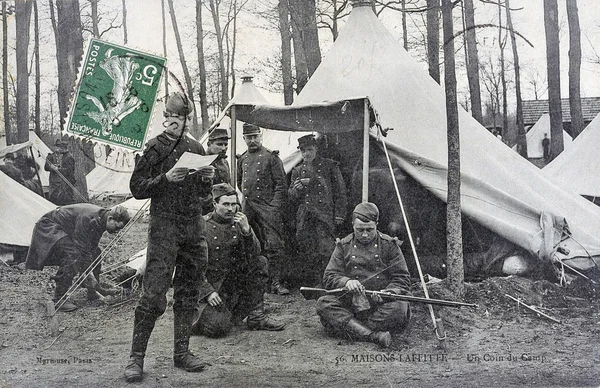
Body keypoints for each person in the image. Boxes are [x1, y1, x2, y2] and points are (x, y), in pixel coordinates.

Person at [125, 92, 215, 382]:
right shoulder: (154, 147)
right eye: (173, 117)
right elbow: (137, 187)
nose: (177, 122)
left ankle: (182, 353)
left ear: (188, 118)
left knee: (189, 290)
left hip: (192, 228)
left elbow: (205, 199)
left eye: (182, 117)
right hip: (164, 228)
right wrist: (165, 179)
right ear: (166, 117)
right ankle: (136, 358)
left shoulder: (197, 148)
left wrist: (206, 180)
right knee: (153, 293)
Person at [193, 183, 285, 337]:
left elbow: (255, 254)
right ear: (215, 204)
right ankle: (214, 316)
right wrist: (207, 292)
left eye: (234, 204)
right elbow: (188, 266)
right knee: (218, 329)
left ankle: (256, 316)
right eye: (226, 204)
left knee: (260, 262)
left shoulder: (239, 222)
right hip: (209, 288)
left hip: (232, 287)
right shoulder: (201, 226)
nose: (230, 209)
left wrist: (247, 230)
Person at [316, 202, 411, 348]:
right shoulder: (343, 246)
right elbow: (329, 276)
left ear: (377, 225)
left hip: (380, 305)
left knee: (400, 308)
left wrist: (388, 292)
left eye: (369, 229)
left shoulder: (389, 245)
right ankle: (373, 335)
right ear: (353, 225)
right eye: (360, 230)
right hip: (351, 303)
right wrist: (346, 282)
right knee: (324, 303)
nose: (365, 234)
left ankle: (351, 327)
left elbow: (402, 278)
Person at [25, 204, 130, 312]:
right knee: (73, 254)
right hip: (48, 226)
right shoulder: (88, 217)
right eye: (117, 227)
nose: (116, 231)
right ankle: (59, 298)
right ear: (110, 218)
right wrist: (89, 274)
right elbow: (81, 246)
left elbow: (91, 246)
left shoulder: (102, 219)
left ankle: (92, 291)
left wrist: (90, 273)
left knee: (96, 253)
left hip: (66, 230)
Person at [237, 123, 289, 295]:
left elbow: (281, 185)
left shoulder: (271, 158)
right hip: (248, 207)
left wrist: (274, 207)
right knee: (246, 242)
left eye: (255, 137)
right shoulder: (242, 159)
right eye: (248, 137)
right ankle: (252, 280)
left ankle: (276, 282)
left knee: (275, 244)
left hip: (268, 208)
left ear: (261, 136)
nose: (252, 141)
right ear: (244, 139)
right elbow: (240, 182)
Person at [288, 134, 347, 284]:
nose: (306, 153)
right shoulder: (297, 170)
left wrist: (339, 215)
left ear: (316, 149)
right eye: (303, 150)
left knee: (326, 249)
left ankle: (329, 281)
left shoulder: (330, 166)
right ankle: (315, 283)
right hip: (305, 217)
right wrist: (297, 189)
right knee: (308, 249)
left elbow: (340, 192)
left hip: (324, 215)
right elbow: (291, 197)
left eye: (310, 149)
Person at [45, 139, 76, 205]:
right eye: (57, 147)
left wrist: (57, 169)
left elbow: (69, 171)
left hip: (67, 180)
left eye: (59, 148)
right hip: (59, 180)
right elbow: (46, 167)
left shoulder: (68, 157)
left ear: (63, 148)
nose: (58, 149)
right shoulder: (61, 156)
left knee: (68, 198)